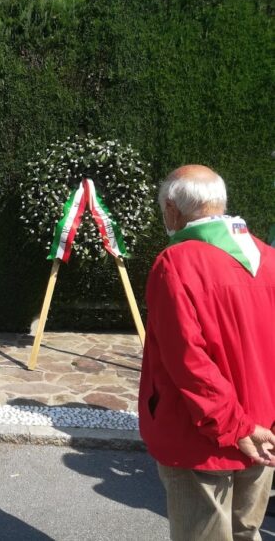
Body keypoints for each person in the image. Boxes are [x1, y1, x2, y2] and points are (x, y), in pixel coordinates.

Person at [139, 164, 275, 541]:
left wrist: (236, 428)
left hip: (200, 435)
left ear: (171, 209)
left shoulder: (175, 263)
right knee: (247, 532)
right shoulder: (269, 258)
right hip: (263, 428)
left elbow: (188, 361)